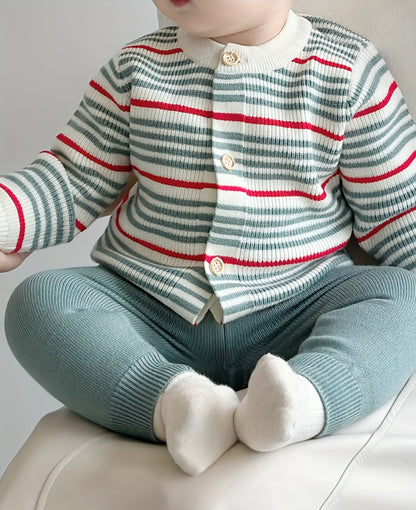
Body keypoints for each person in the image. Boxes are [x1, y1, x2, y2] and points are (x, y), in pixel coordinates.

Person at [2, 0, 416, 476]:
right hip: (151, 308)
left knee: (402, 297)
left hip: (297, 306)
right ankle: (176, 404)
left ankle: (303, 398)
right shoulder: (135, 68)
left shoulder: (346, 69)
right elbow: (73, 179)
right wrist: (9, 220)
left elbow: (397, 208)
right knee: (39, 299)